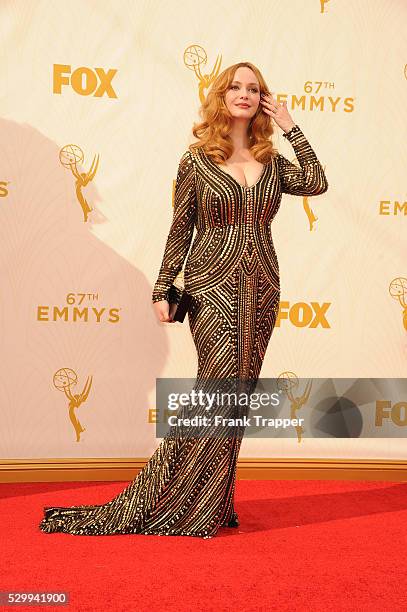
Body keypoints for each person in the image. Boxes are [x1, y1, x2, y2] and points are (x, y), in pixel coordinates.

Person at [39, 61, 328, 539]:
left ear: (263, 100)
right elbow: (181, 228)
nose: (244, 94)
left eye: (254, 89)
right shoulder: (196, 160)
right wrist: (162, 287)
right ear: (221, 95)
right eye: (235, 86)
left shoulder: (273, 162)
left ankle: (210, 504)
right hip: (209, 286)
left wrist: (291, 127)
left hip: (262, 284)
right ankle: (176, 504)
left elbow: (316, 182)